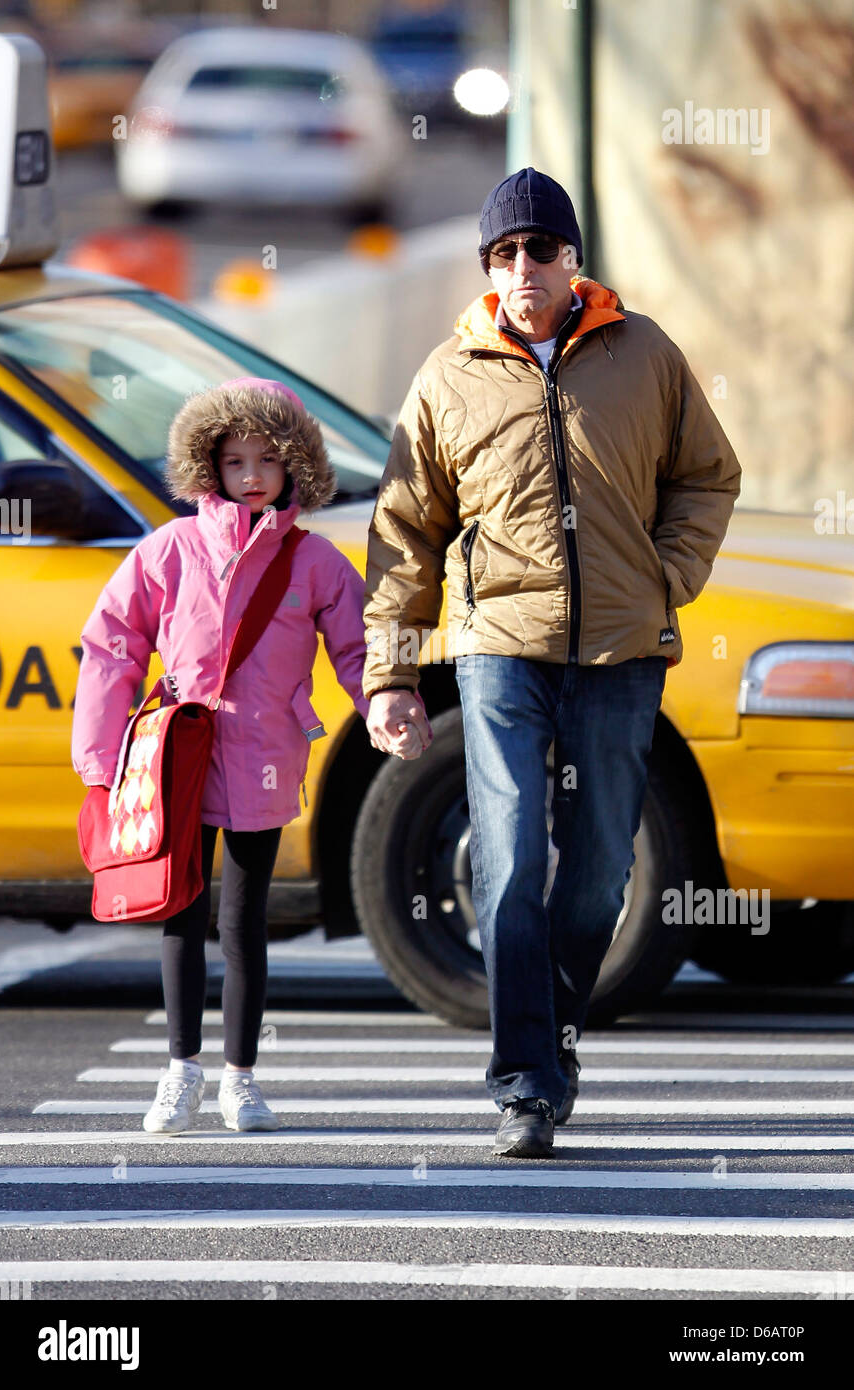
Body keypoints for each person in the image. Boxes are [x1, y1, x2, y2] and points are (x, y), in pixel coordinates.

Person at [363, 168, 742, 1158]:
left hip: (620, 648)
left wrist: (665, 576)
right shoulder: (448, 376)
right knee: (512, 859)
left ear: (574, 259)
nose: (520, 268)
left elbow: (707, 475)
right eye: (501, 253)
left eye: (539, 248)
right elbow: (402, 535)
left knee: (596, 879)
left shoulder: (642, 354)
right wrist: (391, 676)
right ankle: (524, 1081)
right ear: (486, 269)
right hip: (497, 649)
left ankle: (552, 1038)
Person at [72, 377, 377, 1135]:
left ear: (294, 468)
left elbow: (360, 649)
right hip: (175, 757)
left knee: (243, 921)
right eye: (234, 460)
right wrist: (102, 758)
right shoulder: (169, 549)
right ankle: (180, 1069)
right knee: (178, 911)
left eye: (267, 461)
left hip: (264, 754)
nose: (250, 475)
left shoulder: (316, 562)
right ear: (209, 467)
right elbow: (112, 643)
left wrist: (387, 710)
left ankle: (241, 1078)